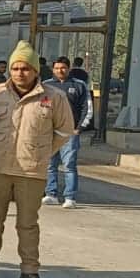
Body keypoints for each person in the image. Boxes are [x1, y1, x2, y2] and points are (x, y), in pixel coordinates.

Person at [0, 41, 75, 278]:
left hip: (31, 172)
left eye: (26, 68)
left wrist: (41, 153)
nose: (20, 73)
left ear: (35, 71)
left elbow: (64, 131)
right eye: (16, 68)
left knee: (28, 224)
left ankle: (29, 272)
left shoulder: (54, 98)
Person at [44, 56, 93, 209]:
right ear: (53, 69)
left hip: (70, 133)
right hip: (51, 133)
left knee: (69, 166)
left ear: (69, 68)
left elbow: (87, 108)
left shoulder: (79, 85)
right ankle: (51, 194)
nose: (60, 70)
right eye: (57, 68)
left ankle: (70, 197)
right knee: (50, 165)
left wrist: (79, 128)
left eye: (63, 68)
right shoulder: (46, 85)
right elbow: (42, 108)